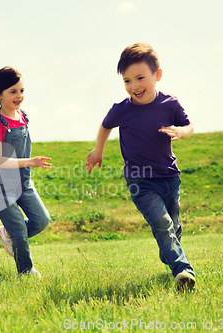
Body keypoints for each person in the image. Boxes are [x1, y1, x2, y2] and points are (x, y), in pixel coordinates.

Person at [85, 43, 196, 290]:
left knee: (173, 226)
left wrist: (180, 132)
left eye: (140, 78)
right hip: (140, 181)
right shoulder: (122, 110)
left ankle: (169, 252)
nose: (134, 86)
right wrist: (98, 150)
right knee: (162, 224)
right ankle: (183, 270)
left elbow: (189, 127)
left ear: (157, 75)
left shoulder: (170, 104)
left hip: (170, 177)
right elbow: (105, 126)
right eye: (127, 80)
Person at [0, 66, 51, 278]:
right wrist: (30, 161)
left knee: (42, 220)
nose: (19, 96)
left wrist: (28, 165)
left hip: (23, 182)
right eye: (13, 91)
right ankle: (26, 272)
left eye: (21, 90)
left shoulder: (23, 116)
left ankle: (7, 233)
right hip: (0, 185)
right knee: (20, 232)